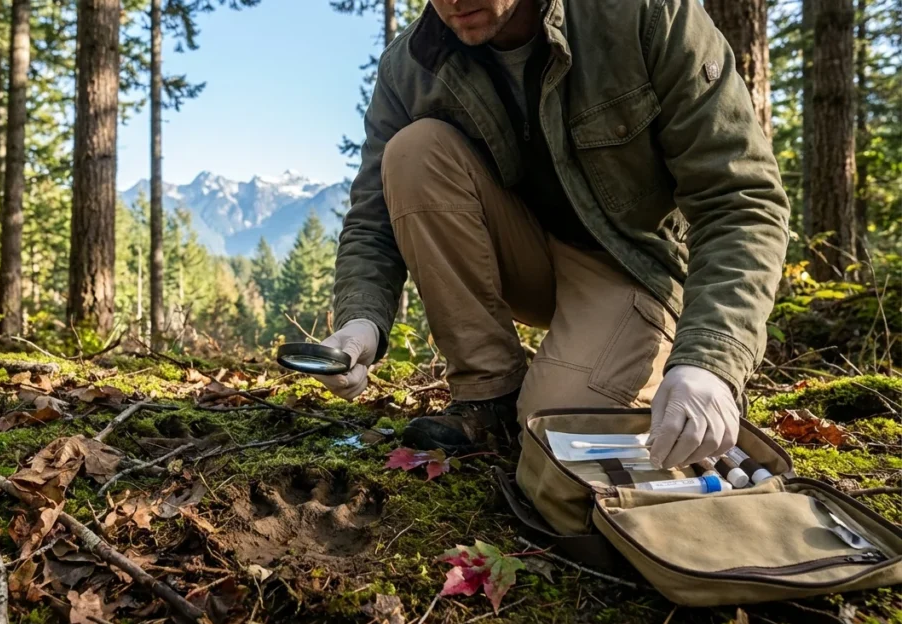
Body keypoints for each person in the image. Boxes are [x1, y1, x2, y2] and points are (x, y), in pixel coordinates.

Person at [315, 0, 790, 471]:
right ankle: (488, 392)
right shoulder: (413, 63)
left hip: (634, 265)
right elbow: (373, 217)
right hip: (527, 256)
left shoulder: (644, 13)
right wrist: (362, 322)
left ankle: (579, 375)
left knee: (552, 434)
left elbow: (740, 200)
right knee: (413, 152)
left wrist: (708, 362)